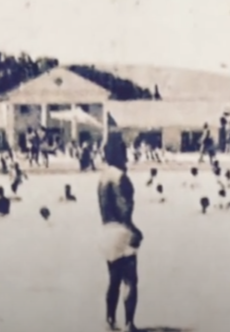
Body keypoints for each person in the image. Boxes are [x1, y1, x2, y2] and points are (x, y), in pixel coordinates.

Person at [98, 135, 142, 332]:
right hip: (121, 231)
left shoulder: (102, 177)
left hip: (106, 231)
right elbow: (124, 208)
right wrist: (134, 230)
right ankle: (129, 324)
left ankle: (109, 321)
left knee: (113, 279)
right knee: (130, 280)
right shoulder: (120, 177)